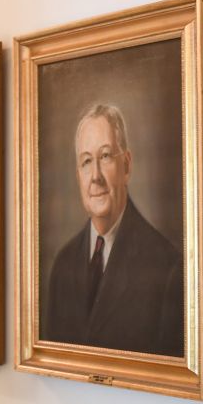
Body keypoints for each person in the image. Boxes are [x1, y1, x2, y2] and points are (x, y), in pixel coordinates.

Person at [43, 103, 184, 357]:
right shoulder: (62, 265)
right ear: (78, 176)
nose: (95, 175)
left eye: (105, 156)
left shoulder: (167, 268)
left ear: (127, 166)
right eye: (86, 162)